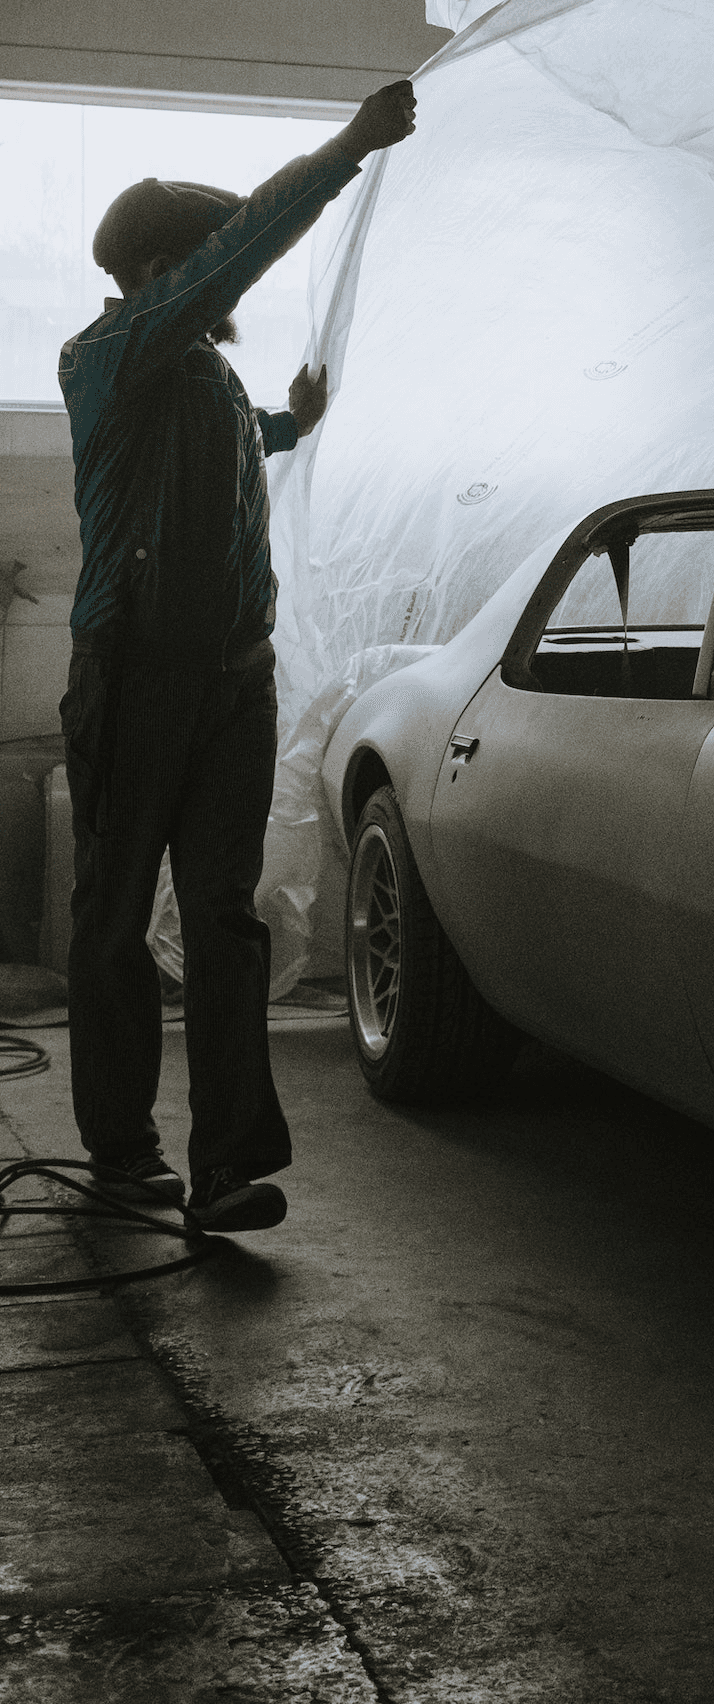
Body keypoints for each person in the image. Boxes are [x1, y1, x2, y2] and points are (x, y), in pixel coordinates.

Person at [58, 80, 417, 1232]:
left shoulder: (200, 374)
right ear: (153, 270)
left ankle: (225, 1164)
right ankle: (123, 1151)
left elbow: (222, 440)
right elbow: (240, 253)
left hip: (231, 681)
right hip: (136, 674)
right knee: (116, 916)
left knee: (222, 914)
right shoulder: (106, 353)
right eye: (194, 260)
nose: (206, 279)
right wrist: (350, 146)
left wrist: (288, 428)